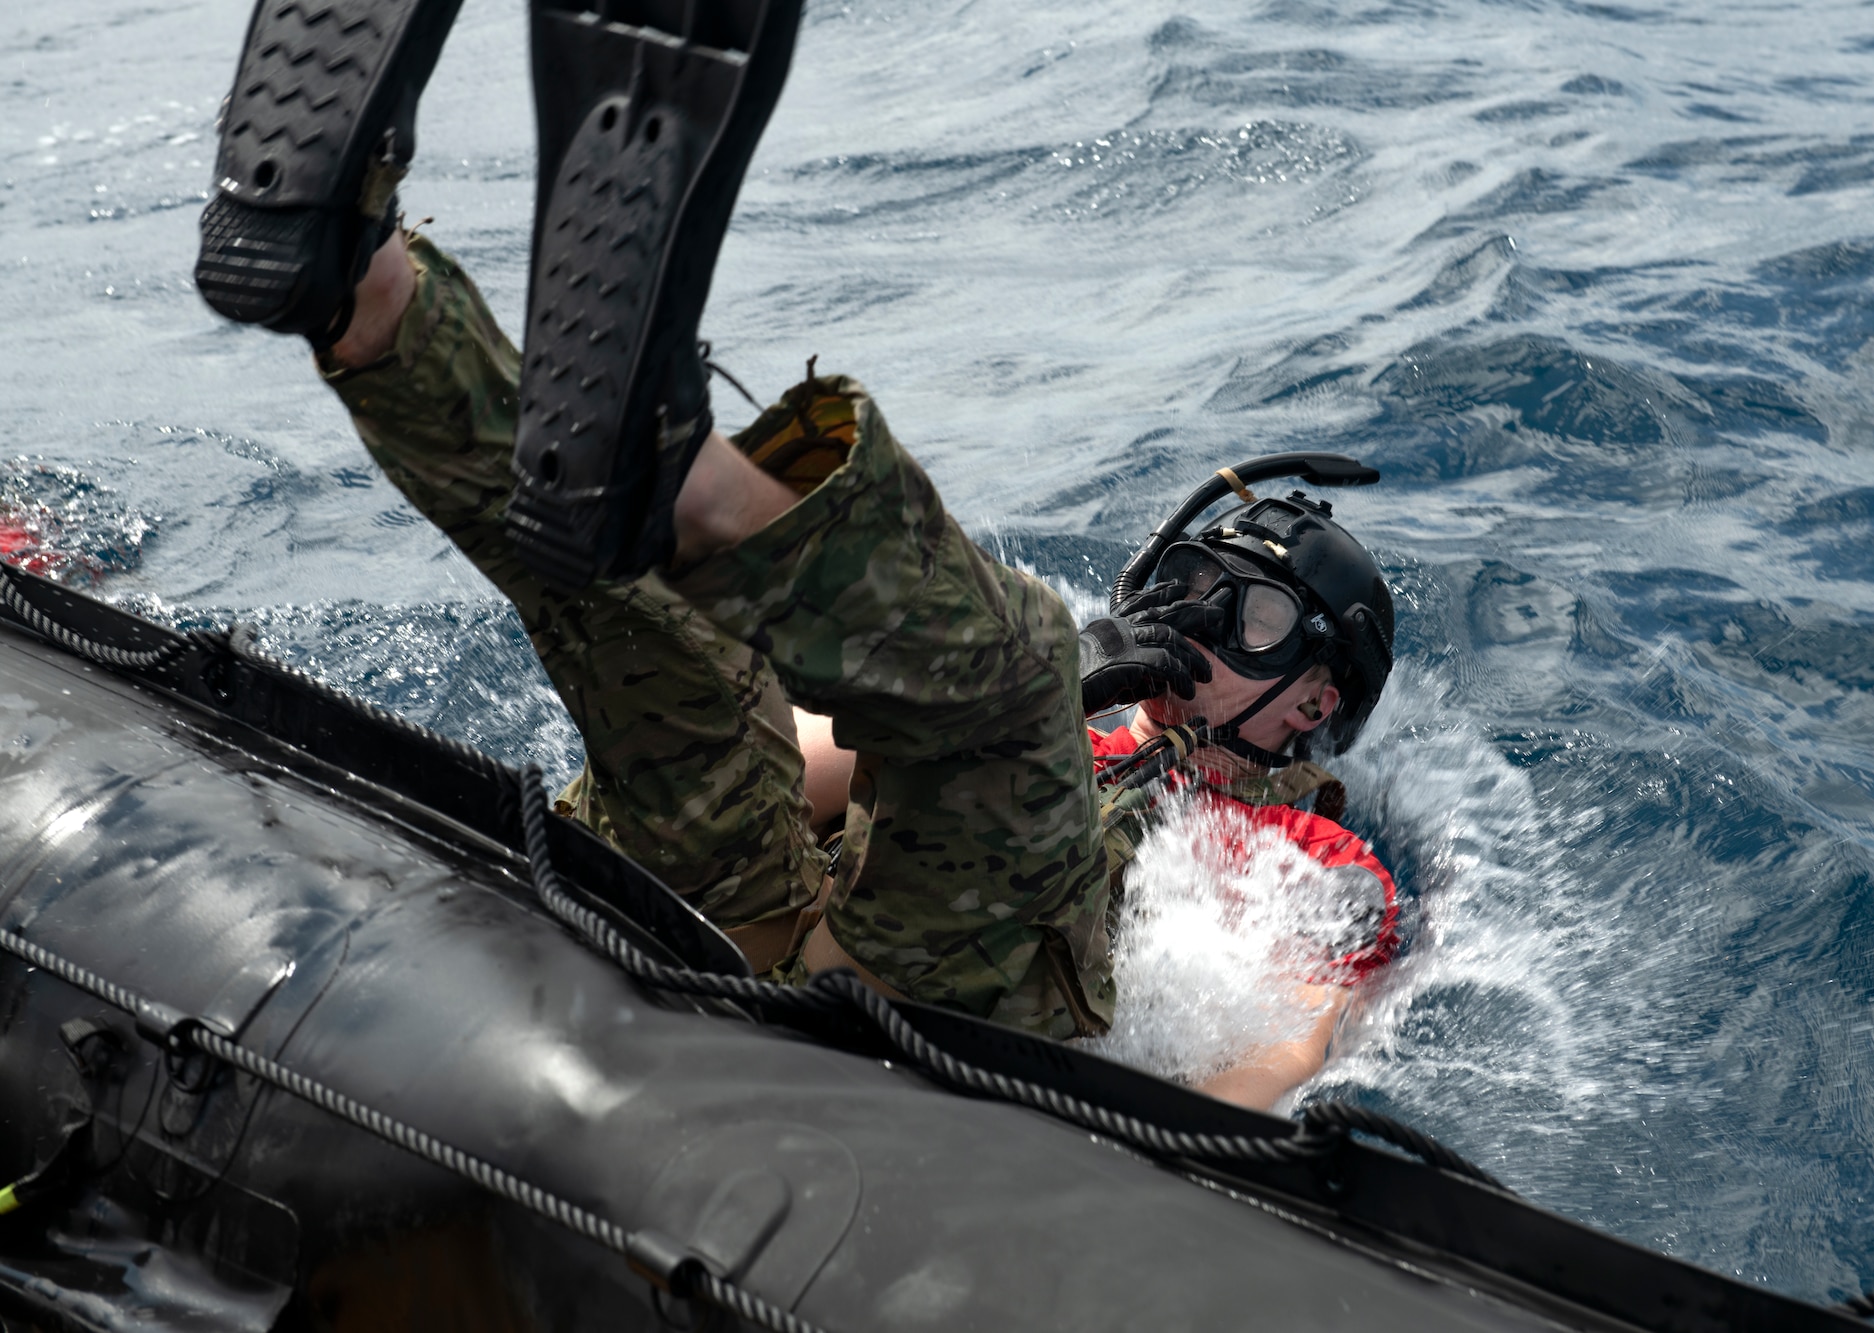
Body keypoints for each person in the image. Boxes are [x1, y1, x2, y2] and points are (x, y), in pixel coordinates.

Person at [191, 0, 1397, 1110]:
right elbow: (807, 762)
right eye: (1180, 585)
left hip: (950, 1027)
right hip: (756, 923)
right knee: (665, 627)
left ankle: (689, 476)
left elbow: (1284, 1054)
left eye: (1243, 621)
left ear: (1311, 701)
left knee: (1019, 665)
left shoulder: (1319, 856)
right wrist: (1038, 717)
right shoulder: (1090, 716)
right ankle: (365, 289)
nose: (1188, 627)